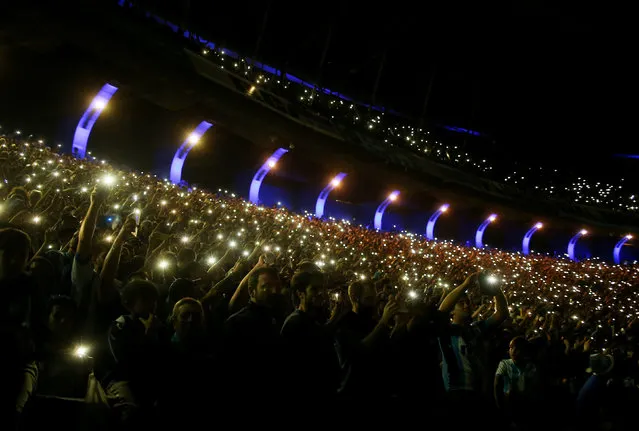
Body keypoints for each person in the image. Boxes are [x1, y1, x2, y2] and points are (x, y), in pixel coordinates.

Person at [436, 271, 508, 428]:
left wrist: (497, 291)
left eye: (468, 302)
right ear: (452, 312)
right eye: (461, 303)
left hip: (477, 392)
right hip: (455, 392)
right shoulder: (445, 330)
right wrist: (465, 285)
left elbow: (502, 314)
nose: (467, 305)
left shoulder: (475, 329)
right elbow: (441, 311)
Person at [222, 266, 287, 406]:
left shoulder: (279, 316)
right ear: (252, 291)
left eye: (276, 286)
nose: (274, 291)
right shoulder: (237, 323)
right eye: (266, 287)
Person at [281, 270, 340, 401]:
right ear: (300, 294)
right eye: (314, 289)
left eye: (321, 289)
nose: (320, 294)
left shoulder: (315, 319)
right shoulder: (295, 323)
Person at [494, 336, 540, 427]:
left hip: (524, 405)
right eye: (511, 348)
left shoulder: (530, 366)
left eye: (517, 348)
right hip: (508, 404)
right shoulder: (505, 363)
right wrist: (499, 405)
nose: (513, 351)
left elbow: (533, 387)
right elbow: (497, 384)